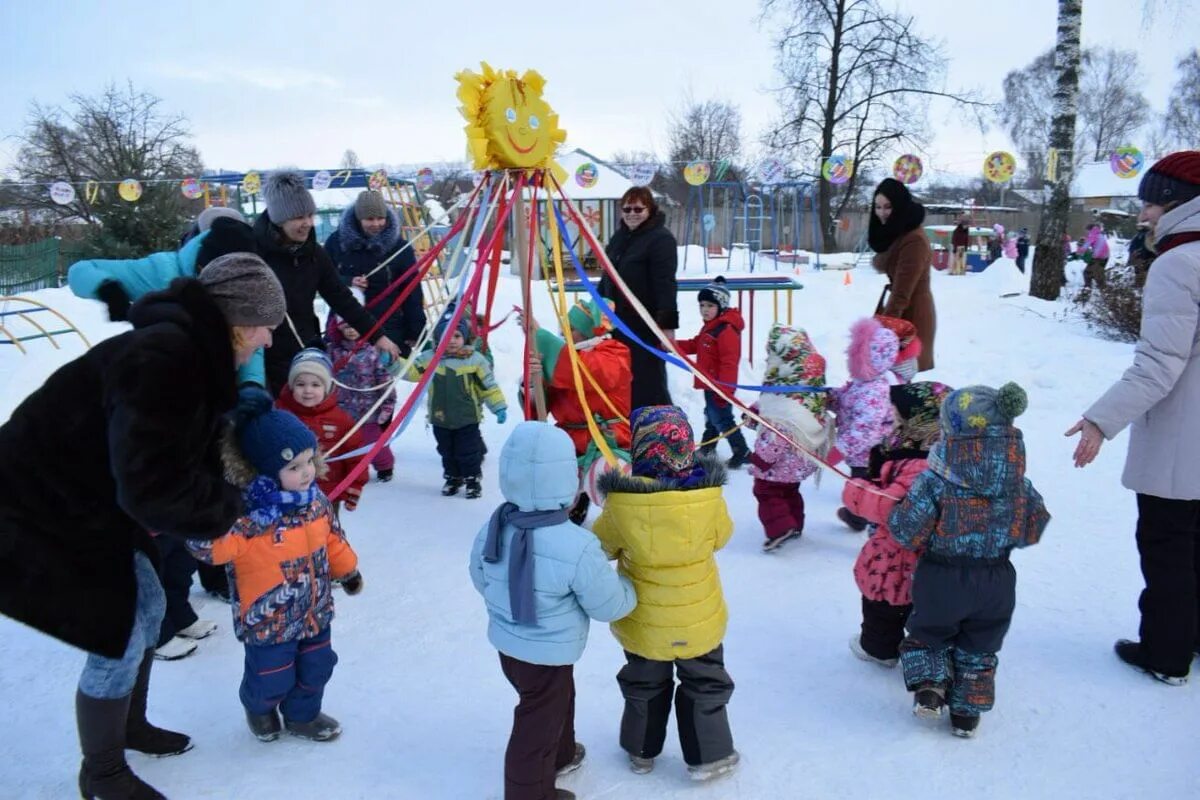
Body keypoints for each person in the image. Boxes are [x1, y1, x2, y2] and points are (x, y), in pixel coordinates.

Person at [0, 253, 286, 798]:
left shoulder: (190, 356)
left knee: (152, 606)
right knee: (120, 629)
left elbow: (172, 451)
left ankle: (128, 725)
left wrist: (231, 476)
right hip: (42, 503)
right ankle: (102, 773)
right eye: (266, 326)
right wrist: (227, 506)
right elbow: (152, 487)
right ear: (236, 321)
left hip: (93, 496)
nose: (269, 340)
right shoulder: (164, 360)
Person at [1067, 151, 1200, 686]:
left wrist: (1101, 419)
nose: (1143, 215)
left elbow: (1159, 366)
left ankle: (1166, 653)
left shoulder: (1179, 262)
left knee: (1168, 544)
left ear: (1177, 202)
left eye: (1150, 202)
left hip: (1183, 437)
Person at [469, 421, 637, 800]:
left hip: (509, 647)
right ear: (567, 477)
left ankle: (560, 753)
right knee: (535, 723)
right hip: (546, 653)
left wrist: (503, 603)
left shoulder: (496, 525)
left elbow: (478, 574)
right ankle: (529, 794)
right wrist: (632, 589)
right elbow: (607, 603)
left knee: (555, 701)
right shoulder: (575, 544)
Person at [187, 391, 362, 744]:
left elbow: (333, 538)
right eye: (293, 467)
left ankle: (303, 716)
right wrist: (201, 516)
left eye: (310, 461)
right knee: (271, 675)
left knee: (317, 667)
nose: (307, 472)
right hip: (268, 620)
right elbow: (212, 550)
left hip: (314, 610)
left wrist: (348, 570)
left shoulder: (315, 503)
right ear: (262, 470)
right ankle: (259, 706)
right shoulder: (247, 517)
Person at [892, 383, 1050, 738]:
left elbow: (907, 530)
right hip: (996, 581)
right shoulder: (1018, 483)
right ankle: (966, 714)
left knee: (929, 633)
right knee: (980, 646)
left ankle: (930, 688)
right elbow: (1033, 527)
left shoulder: (936, 480)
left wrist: (897, 515)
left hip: (941, 576)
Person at [592, 406, 738, 782]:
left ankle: (641, 751)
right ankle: (709, 756)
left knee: (643, 684)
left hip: (644, 622)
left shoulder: (622, 505)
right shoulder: (709, 499)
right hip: (699, 618)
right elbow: (722, 537)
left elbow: (600, 548)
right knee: (705, 681)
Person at [253, 170, 401, 393]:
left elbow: (341, 298)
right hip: (261, 357)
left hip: (303, 352)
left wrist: (377, 335)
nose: (308, 223)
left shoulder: (314, 254)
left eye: (310, 215)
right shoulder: (255, 255)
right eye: (299, 217)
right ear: (279, 220)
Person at [844, 381, 952, 668]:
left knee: (884, 600)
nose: (892, 418)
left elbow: (890, 507)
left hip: (901, 553)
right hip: (928, 555)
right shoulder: (934, 448)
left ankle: (879, 650)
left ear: (919, 419)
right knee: (911, 604)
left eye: (898, 414)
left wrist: (856, 491)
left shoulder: (921, 465)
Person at [526, 298, 632, 523]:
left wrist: (541, 338)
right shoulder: (565, 357)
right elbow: (541, 409)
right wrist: (536, 382)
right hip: (568, 440)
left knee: (609, 478)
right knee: (549, 478)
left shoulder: (614, 352)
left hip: (608, 439)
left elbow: (587, 373)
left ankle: (624, 523)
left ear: (585, 331)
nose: (565, 333)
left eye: (571, 329)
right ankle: (565, 512)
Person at [402, 309, 506, 499]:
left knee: (468, 451)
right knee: (446, 450)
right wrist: (392, 362)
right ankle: (453, 477)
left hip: (467, 417)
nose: (451, 340)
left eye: (456, 335)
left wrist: (498, 406)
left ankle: (472, 480)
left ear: (464, 337)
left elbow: (488, 386)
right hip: (440, 417)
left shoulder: (475, 360)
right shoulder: (429, 359)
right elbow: (410, 372)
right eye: (446, 335)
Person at [747, 323, 831, 552]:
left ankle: (780, 528)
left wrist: (760, 460)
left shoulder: (785, 405)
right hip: (800, 460)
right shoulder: (805, 390)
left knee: (766, 490)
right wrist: (754, 414)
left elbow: (777, 434)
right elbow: (769, 406)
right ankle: (794, 523)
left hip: (779, 461)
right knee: (789, 490)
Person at [600, 186, 679, 408]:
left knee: (648, 382)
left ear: (650, 210)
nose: (632, 213)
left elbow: (666, 284)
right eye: (627, 208)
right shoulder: (619, 238)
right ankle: (628, 430)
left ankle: (663, 432)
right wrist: (594, 310)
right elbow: (608, 276)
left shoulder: (661, 240)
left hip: (645, 326)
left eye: (638, 209)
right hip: (618, 324)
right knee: (623, 380)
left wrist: (666, 326)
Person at [324, 189, 426, 356]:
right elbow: (323, 278)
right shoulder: (337, 243)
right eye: (370, 219)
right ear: (358, 218)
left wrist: (416, 330)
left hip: (389, 327)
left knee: (389, 377)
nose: (376, 224)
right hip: (346, 328)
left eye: (381, 218)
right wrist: (347, 281)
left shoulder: (399, 248)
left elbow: (412, 291)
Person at [276, 348, 369, 514]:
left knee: (325, 536)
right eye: (300, 384)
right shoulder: (278, 414)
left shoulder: (341, 420)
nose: (308, 390)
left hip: (328, 496)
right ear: (291, 386)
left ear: (327, 387)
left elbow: (357, 455)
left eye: (315, 384)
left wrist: (354, 485)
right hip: (287, 494)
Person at [831, 317, 900, 532]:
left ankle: (873, 525)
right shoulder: (863, 384)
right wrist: (831, 396)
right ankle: (856, 516)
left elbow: (864, 429)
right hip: (861, 455)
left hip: (871, 455)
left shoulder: (875, 391)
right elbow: (848, 400)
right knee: (859, 487)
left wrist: (839, 450)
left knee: (866, 489)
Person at [675, 276, 750, 468]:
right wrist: (671, 345)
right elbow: (696, 344)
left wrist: (724, 390)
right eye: (702, 305)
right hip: (711, 383)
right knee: (711, 415)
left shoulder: (725, 330)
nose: (705, 309)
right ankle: (709, 446)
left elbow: (729, 363)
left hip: (720, 386)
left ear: (721, 306)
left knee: (723, 419)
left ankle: (741, 450)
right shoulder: (711, 327)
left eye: (710, 305)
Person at [869, 178, 936, 371]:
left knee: (899, 374)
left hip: (912, 312)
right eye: (878, 207)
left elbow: (902, 292)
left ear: (899, 206)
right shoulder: (897, 231)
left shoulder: (913, 239)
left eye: (888, 207)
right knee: (889, 375)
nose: (882, 213)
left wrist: (886, 330)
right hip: (900, 308)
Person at [328, 313, 398, 482]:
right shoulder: (333, 352)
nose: (351, 330)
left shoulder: (372, 352)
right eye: (346, 326)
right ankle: (350, 470)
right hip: (342, 409)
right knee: (345, 443)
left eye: (355, 326)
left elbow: (384, 379)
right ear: (338, 328)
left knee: (374, 442)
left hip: (368, 410)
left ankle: (385, 467)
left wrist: (387, 403)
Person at [1082, 222, 1111, 292]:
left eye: (1087, 230)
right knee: (1090, 272)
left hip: (1099, 257)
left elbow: (1086, 245)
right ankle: (1089, 287)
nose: (1087, 232)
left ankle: (1104, 290)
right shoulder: (1099, 234)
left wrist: (1080, 250)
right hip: (1104, 257)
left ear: (1090, 229)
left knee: (1095, 274)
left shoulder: (1093, 235)